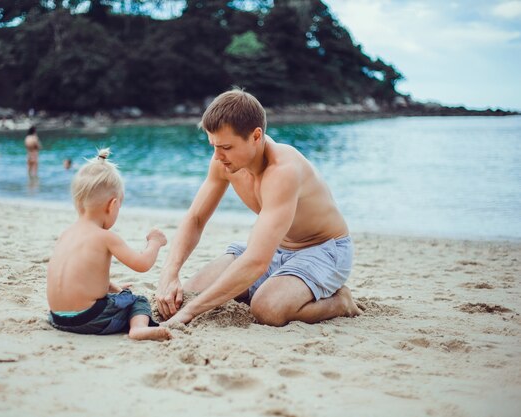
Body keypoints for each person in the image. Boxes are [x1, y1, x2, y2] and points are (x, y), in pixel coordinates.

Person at [156, 88, 362, 326]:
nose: (218, 156)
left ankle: (340, 302)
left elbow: (256, 260)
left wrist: (189, 313)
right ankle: (268, 286)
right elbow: (195, 219)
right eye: (213, 146)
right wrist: (169, 274)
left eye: (226, 147)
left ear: (256, 136)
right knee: (188, 295)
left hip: (323, 250)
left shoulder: (283, 171)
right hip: (276, 248)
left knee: (267, 309)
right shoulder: (223, 163)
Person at [47, 148, 171, 341]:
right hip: (89, 319)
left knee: (118, 295)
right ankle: (138, 329)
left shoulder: (66, 235)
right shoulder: (105, 237)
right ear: (112, 205)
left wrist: (113, 286)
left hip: (57, 318)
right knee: (137, 301)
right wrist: (154, 243)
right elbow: (142, 264)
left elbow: (81, 275)